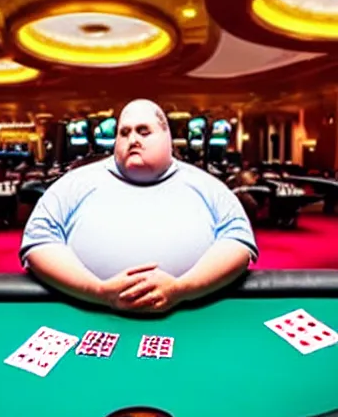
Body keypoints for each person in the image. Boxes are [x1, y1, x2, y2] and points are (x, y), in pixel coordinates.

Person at [19, 99, 258, 313]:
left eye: (144, 131)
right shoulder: (73, 183)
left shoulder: (209, 186)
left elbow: (238, 241)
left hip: (192, 323)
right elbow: (39, 240)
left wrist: (182, 288)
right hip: (88, 316)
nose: (133, 139)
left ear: (167, 137)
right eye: (124, 133)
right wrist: (98, 291)